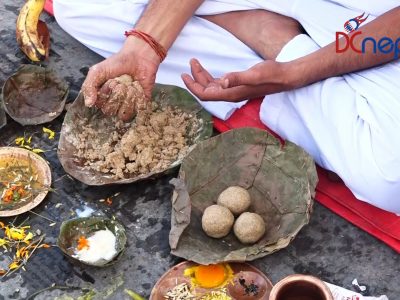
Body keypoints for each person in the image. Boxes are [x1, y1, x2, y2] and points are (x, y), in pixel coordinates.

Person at [53, 0, 400, 214]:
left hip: (373, 22)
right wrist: (144, 47)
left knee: (388, 176)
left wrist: (294, 67)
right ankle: (259, 43)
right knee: (79, 5)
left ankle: (274, 40)